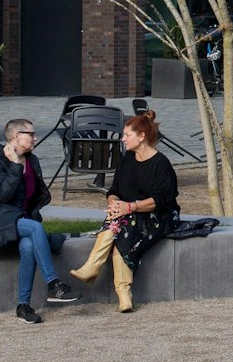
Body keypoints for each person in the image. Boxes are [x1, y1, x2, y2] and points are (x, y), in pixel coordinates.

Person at [68, 111, 179, 313]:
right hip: (130, 214)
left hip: (159, 215)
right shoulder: (127, 158)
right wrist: (114, 204)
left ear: (141, 136)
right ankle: (122, 293)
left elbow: (163, 200)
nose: (122, 139)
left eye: (127, 135)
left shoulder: (160, 163)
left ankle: (98, 271)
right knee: (120, 223)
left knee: (123, 227)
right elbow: (115, 191)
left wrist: (130, 207)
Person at [0, 118, 79, 323]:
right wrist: (14, 165)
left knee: (29, 244)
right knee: (34, 227)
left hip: (19, 222)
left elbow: (32, 198)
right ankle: (53, 284)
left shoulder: (32, 160)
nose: (35, 138)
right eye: (30, 134)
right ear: (15, 137)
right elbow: (2, 195)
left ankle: (23, 306)